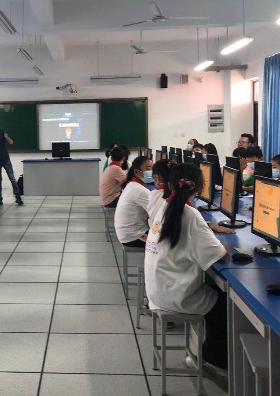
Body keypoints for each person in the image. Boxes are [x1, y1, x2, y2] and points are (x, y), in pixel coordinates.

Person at [144, 163, 229, 391]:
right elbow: (219, 254)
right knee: (227, 308)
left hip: (158, 289)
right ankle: (211, 361)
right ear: (200, 187)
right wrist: (226, 246)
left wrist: (206, 229)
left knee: (214, 288)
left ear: (170, 186)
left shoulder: (166, 207)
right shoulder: (190, 214)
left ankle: (202, 354)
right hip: (175, 294)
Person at [114, 156, 159, 248]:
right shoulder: (139, 190)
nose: (152, 172)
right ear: (137, 172)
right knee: (168, 243)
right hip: (133, 236)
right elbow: (158, 212)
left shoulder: (133, 185)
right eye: (148, 169)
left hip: (128, 232)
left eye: (153, 169)